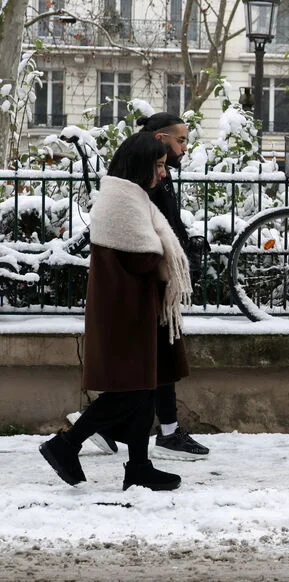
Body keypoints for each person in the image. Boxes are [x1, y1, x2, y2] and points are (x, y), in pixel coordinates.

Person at [40, 132, 189, 491]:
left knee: (145, 389)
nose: (164, 174)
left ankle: (139, 466)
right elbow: (143, 258)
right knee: (131, 391)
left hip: (134, 308)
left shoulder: (129, 196)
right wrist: (162, 256)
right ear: (140, 165)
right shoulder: (123, 200)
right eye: (158, 166)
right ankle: (66, 445)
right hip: (125, 312)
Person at [67, 112, 210, 461]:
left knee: (148, 380)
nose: (184, 149)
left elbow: (162, 230)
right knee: (139, 385)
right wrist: (170, 261)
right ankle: (76, 442)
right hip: (133, 302)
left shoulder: (146, 181)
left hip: (144, 299)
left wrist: (181, 249)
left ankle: (142, 459)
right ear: (158, 143)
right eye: (180, 141)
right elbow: (143, 249)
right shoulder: (131, 191)